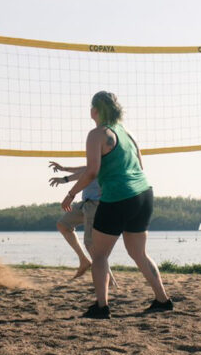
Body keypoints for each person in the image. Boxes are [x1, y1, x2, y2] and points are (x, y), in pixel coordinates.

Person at [62, 91, 173, 318]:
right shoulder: (127, 133)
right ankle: (163, 300)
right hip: (143, 195)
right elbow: (140, 166)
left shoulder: (97, 134)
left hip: (118, 198)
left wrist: (71, 194)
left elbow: (92, 171)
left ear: (95, 111)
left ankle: (101, 307)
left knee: (99, 254)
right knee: (139, 253)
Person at [49, 162, 117, 289]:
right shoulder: (97, 158)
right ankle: (84, 260)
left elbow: (88, 173)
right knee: (63, 225)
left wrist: (64, 179)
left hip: (96, 205)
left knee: (92, 245)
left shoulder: (107, 159)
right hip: (85, 204)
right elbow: (85, 169)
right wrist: (64, 168)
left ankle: (110, 281)